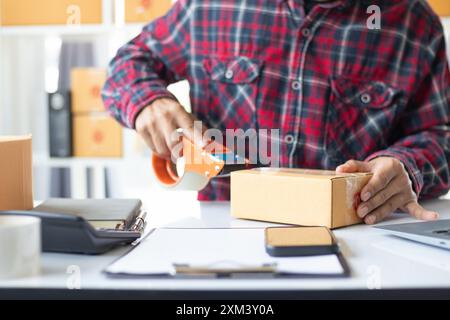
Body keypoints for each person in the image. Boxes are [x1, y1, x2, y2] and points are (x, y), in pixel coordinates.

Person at [102, 0, 450, 224]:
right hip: (225, 235)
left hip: (359, 239)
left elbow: (439, 136)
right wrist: (149, 102)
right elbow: (129, 64)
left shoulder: (414, 24)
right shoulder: (207, 6)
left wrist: (405, 166)